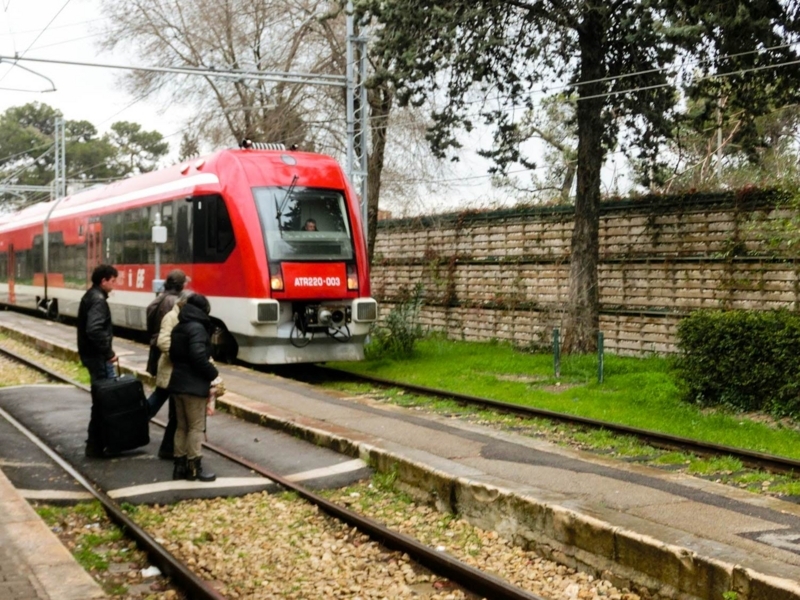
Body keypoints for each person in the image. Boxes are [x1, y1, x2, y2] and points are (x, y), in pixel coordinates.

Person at [168, 293, 220, 482]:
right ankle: (194, 468)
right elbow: (198, 357)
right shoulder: (198, 329)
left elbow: (172, 355)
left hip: (177, 384)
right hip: (193, 386)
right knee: (196, 427)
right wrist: (213, 374)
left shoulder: (179, 327)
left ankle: (179, 467)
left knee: (181, 427)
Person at [145, 269, 189, 459]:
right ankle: (168, 446)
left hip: (156, 353)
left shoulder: (156, 300)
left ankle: (132, 424)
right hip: (170, 355)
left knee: (160, 394)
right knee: (172, 401)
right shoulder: (176, 304)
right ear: (181, 285)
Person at [77, 263, 119, 457]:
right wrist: (108, 353)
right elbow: (94, 329)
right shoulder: (98, 300)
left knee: (101, 399)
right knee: (103, 401)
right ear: (104, 281)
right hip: (98, 358)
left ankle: (97, 443)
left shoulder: (90, 295)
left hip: (91, 355)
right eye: (113, 280)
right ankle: (96, 445)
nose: (114, 284)